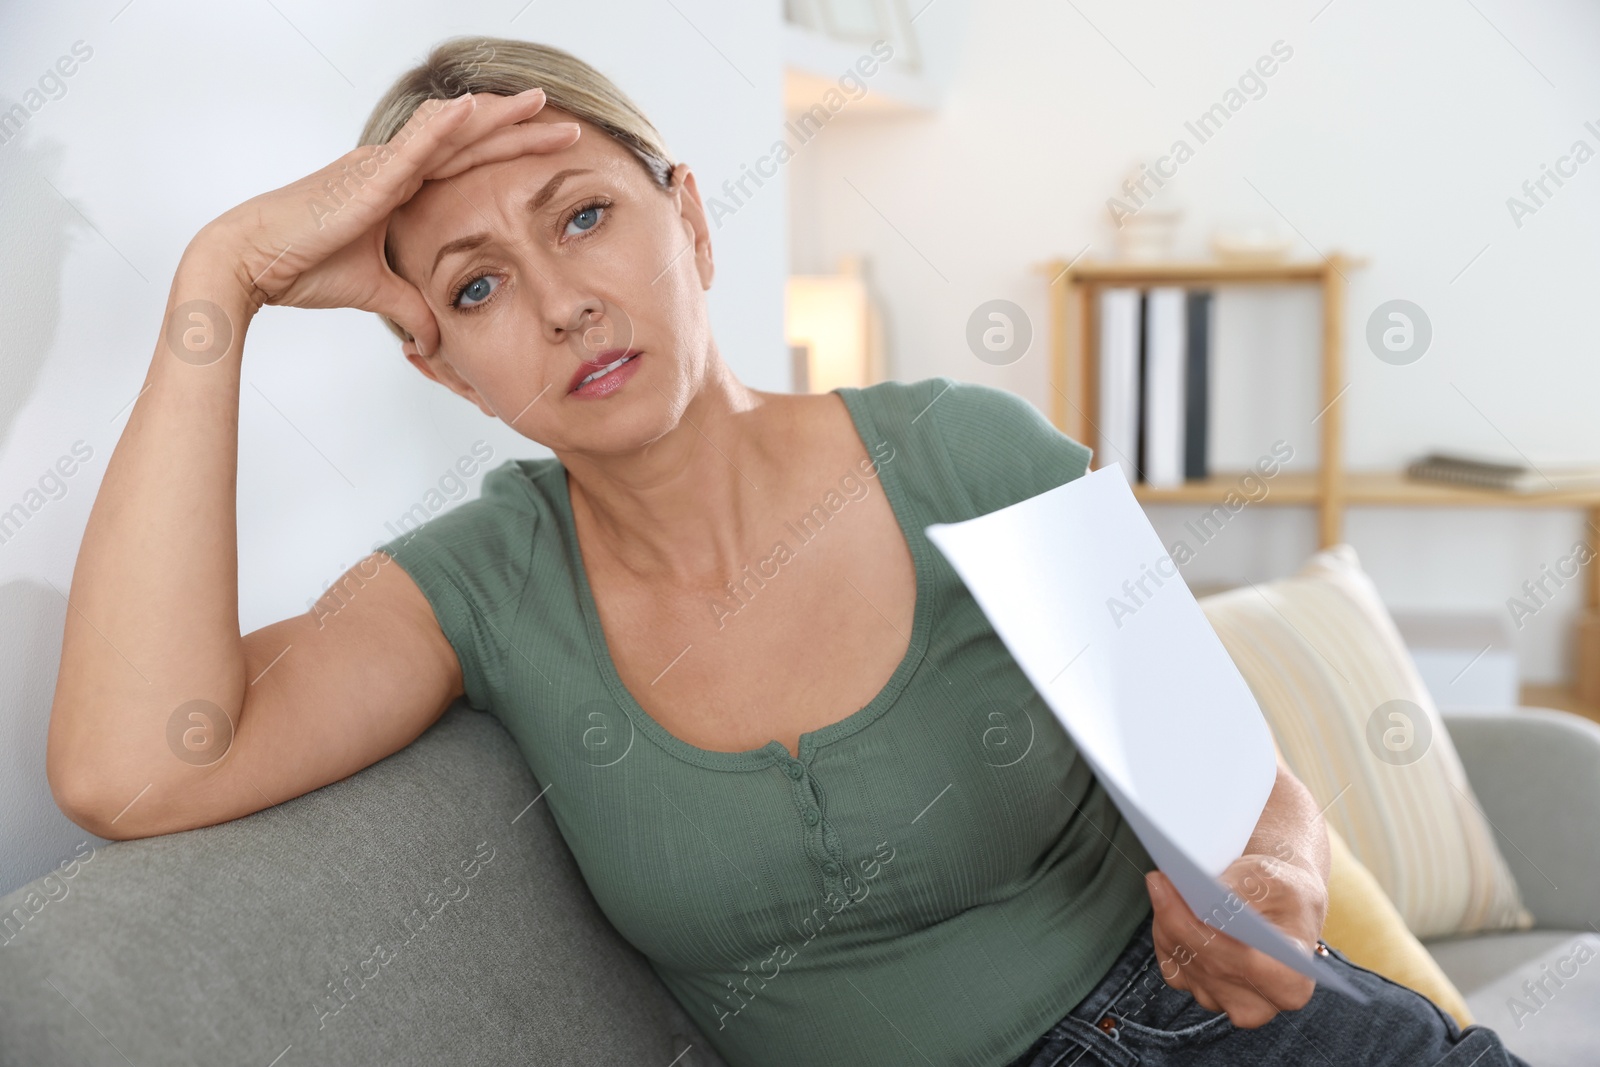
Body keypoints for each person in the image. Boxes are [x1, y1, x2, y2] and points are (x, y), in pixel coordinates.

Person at [46, 35, 1530, 1067]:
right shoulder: (478, 590)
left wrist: (1272, 877)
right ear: (441, 364)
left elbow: (1240, 773)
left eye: (585, 216)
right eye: (481, 283)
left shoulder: (967, 453)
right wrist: (218, 285)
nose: (563, 302)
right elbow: (137, 767)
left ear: (688, 219)